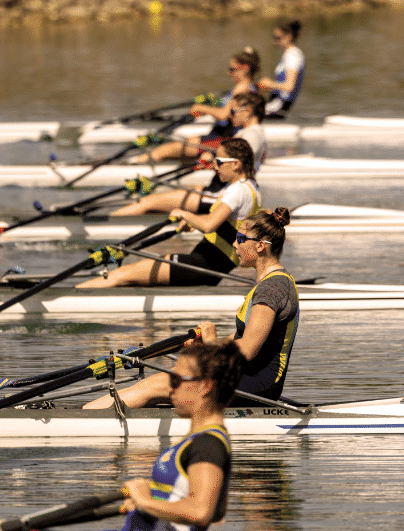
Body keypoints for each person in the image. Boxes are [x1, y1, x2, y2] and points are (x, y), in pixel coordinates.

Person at [0, 342, 245, 531]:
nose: (169, 386)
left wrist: (146, 501)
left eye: (176, 379)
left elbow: (201, 511)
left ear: (205, 386)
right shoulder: (201, 439)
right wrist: (155, 499)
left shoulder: (207, 444)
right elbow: (217, 510)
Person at [84, 207, 298, 410]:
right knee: (157, 382)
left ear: (260, 246)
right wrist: (207, 345)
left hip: (256, 385)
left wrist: (212, 344)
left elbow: (247, 350)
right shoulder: (272, 283)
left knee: (155, 386)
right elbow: (241, 336)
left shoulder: (272, 288)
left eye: (241, 239)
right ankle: (89, 412)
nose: (234, 244)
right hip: (245, 377)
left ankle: (83, 417)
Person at [76, 137, 261, 289]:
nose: (214, 165)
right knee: (132, 275)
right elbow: (223, 221)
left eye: (219, 161)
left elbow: (209, 225)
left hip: (207, 265)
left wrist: (184, 214)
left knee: (121, 274)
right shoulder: (250, 188)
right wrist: (194, 220)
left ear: (236, 164)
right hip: (209, 262)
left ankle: (73, 296)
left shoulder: (237, 191)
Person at [109, 91, 267, 219]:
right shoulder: (250, 133)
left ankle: (109, 221)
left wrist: (213, 162)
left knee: (147, 202)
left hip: (222, 196)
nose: (230, 116)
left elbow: (237, 165)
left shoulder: (252, 136)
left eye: (233, 111)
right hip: (220, 190)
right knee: (160, 198)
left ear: (247, 111)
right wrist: (212, 161)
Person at [130, 48, 260, 165]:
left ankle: (131, 165)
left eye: (232, 69)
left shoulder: (241, 88)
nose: (228, 73)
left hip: (223, 139)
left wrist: (201, 108)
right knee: (178, 152)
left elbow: (224, 115)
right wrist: (209, 111)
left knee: (162, 151)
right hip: (220, 136)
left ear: (245, 68)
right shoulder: (249, 87)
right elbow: (228, 113)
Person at [257, 20, 305, 117]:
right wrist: (269, 87)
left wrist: (269, 84)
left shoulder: (293, 55)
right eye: (274, 37)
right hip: (275, 102)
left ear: (288, 37)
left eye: (277, 38)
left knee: (236, 109)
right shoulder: (289, 54)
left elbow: (289, 86)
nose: (274, 42)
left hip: (279, 107)